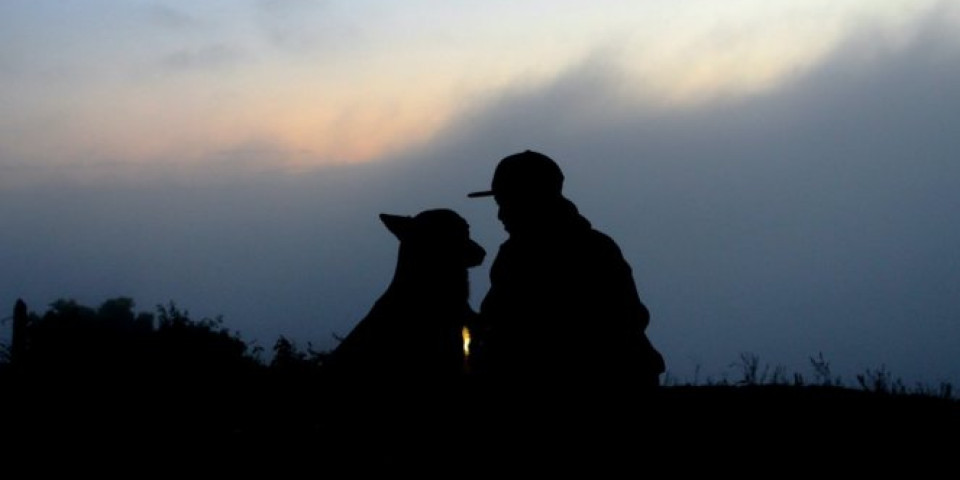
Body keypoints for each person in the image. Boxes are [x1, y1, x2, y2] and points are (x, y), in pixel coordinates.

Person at [467, 150, 664, 388]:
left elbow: (620, 321)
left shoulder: (585, 251)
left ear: (534, 200)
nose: (500, 214)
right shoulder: (518, 253)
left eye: (508, 202)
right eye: (500, 203)